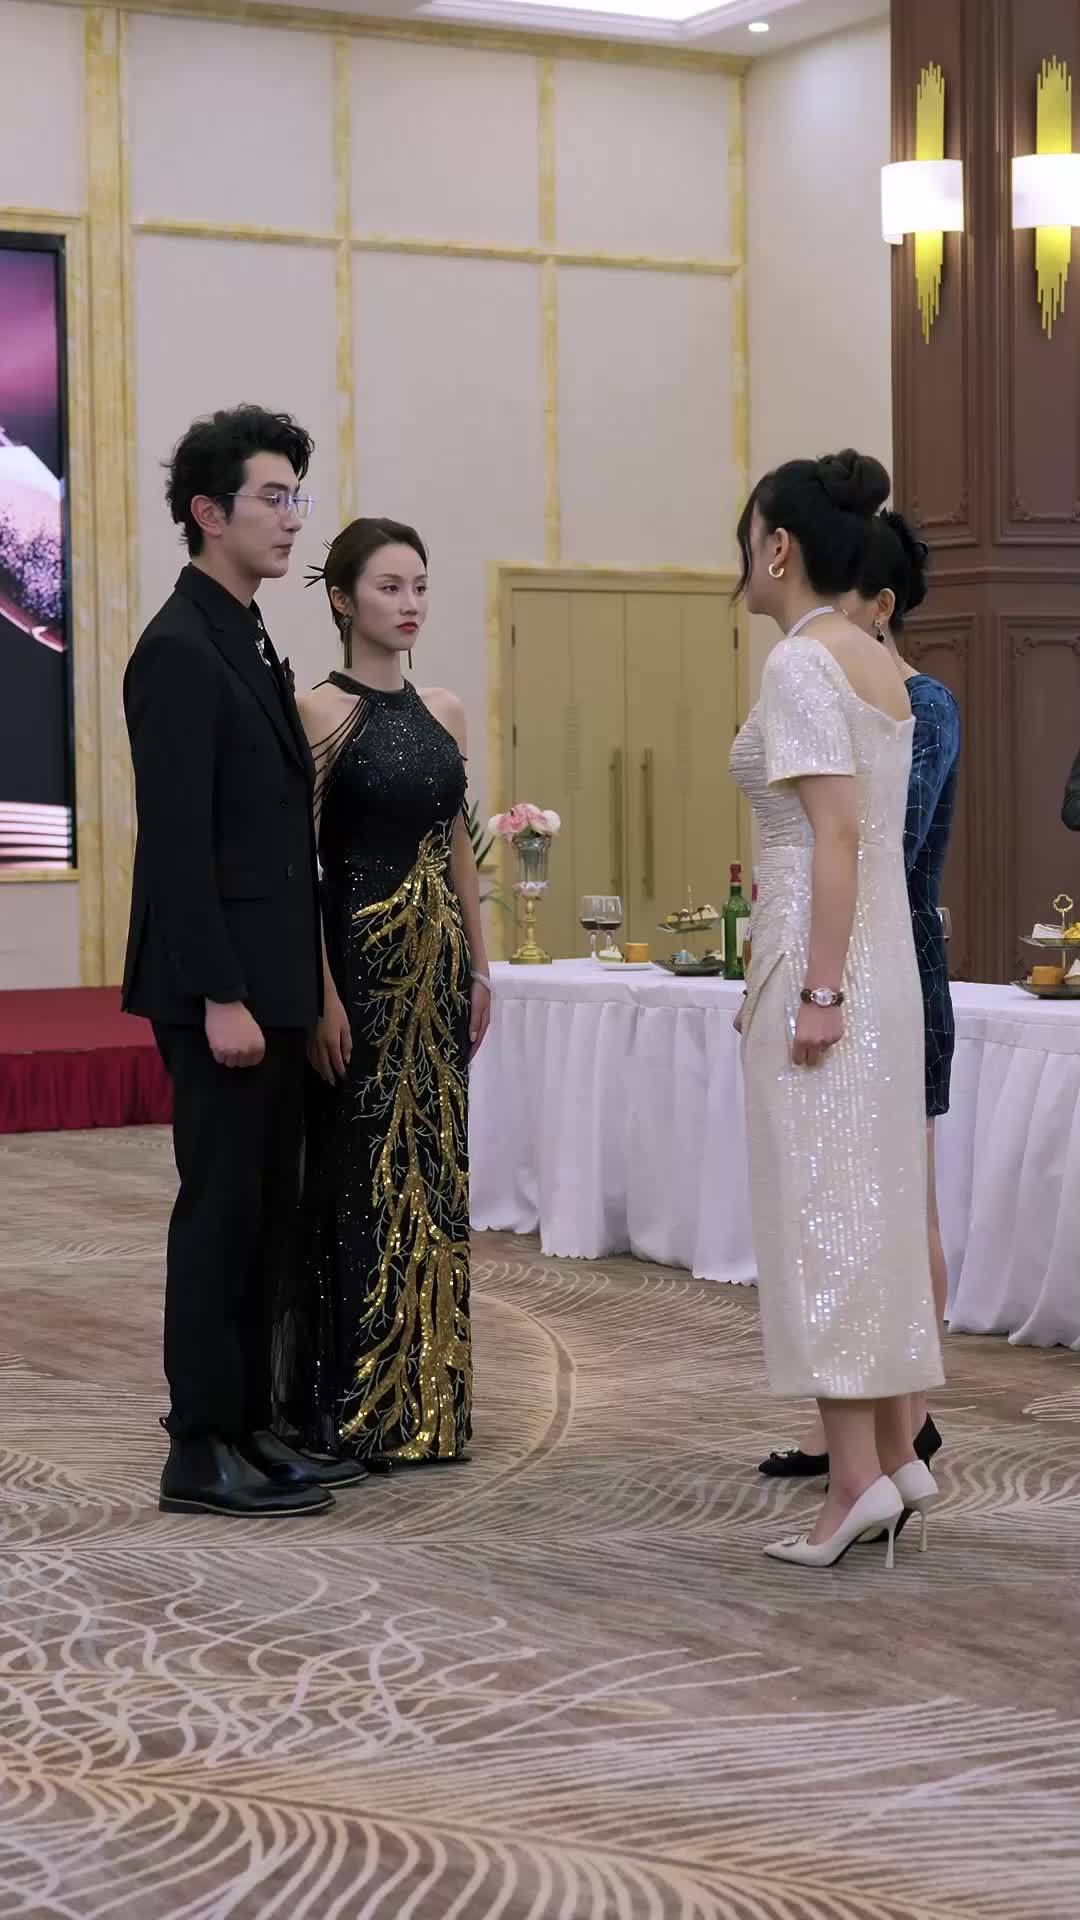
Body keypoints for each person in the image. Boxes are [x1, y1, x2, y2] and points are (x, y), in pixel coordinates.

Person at [122, 405, 365, 1518]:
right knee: (220, 1212)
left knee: (270, 1211)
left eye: (296, 496)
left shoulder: (251, 635)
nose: (293, 518)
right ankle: (198, 1444)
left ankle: (252, 1424)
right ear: (208, 514)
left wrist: (301, 990)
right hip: (219, 987)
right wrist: (222, 993)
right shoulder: (177, 649)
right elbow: (178, 848)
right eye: (273, 497)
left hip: (271, 984)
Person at [729, 451, 944, 1569]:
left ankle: (855, 1481)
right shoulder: (875, 657)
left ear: (777, 547)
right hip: (877, 961)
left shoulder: (802, 660)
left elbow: (839, 834)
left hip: (832, 962)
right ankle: (897, 1453)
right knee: (872, 1211)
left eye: (746, 541)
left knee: (822, 1217)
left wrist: (816, 991)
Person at [272, 517, 489, 1466]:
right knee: (356, 1175)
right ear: (341, 598)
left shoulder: (445, 710)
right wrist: (321, 994)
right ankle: (351, 1406)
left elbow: (457, 847)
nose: (410, 605)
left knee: (434, 1177)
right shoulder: (316, 710)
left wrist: (482, 967)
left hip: (437, 977)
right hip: (357, 972)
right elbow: (303, 863)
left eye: (420, 587)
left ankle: (429, 1406)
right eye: (390, 587)